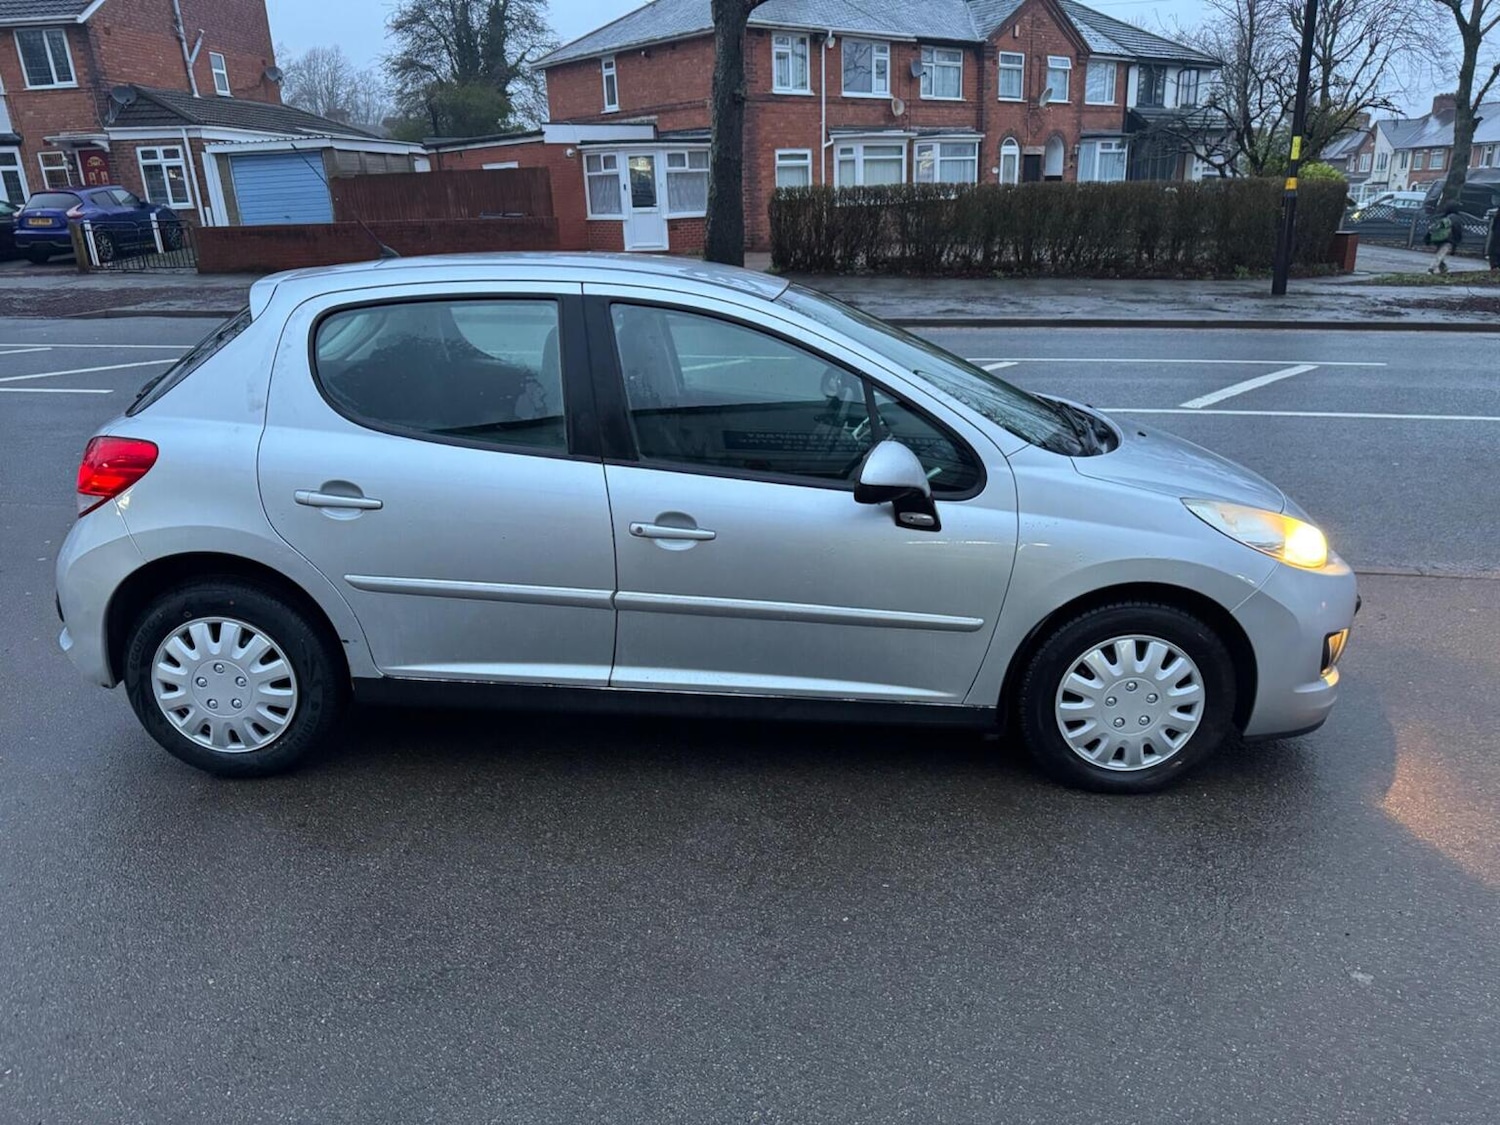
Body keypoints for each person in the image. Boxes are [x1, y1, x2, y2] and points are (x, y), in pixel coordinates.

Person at [1426, 201, 1463, 274]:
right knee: (1441, 254)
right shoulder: (1456, 218)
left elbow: (1435, 227)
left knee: (1440, 253)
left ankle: (1438, 268)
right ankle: (1435, 269)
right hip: (1449, 238)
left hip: (1439, 238)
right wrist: (1457, 241)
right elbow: (1458, 230)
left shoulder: (1444, 216)